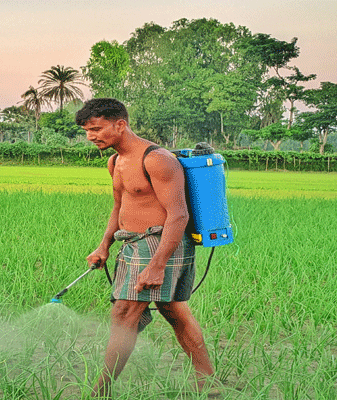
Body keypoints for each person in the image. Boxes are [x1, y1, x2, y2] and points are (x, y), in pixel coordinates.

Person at [75, 98, 215, 398]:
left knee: (124, 314)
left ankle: (100, 392)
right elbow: (119, 207)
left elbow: (179, 214)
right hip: (132, 242)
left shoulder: (157, 159)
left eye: (97, 129)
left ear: (120, 124)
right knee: (174, 310)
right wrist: (104, 246)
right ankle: (210, 385)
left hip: (160, 243)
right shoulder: (115, 161)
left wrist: (157, 264)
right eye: (87, 131)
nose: (91, 136)